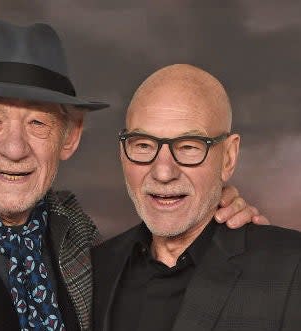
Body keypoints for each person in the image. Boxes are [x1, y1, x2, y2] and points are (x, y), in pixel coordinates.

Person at [0, 20, 264, 331]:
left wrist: (212, 218)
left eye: (38, 123)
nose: (14, 148)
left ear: (69, 137)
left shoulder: (83, 242)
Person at [92, 64, 301, 331]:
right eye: (143, 145)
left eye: (189, 147)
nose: (163, 172)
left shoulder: (291, 268)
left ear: (228, 157)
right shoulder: (94, 269)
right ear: (123, 152)